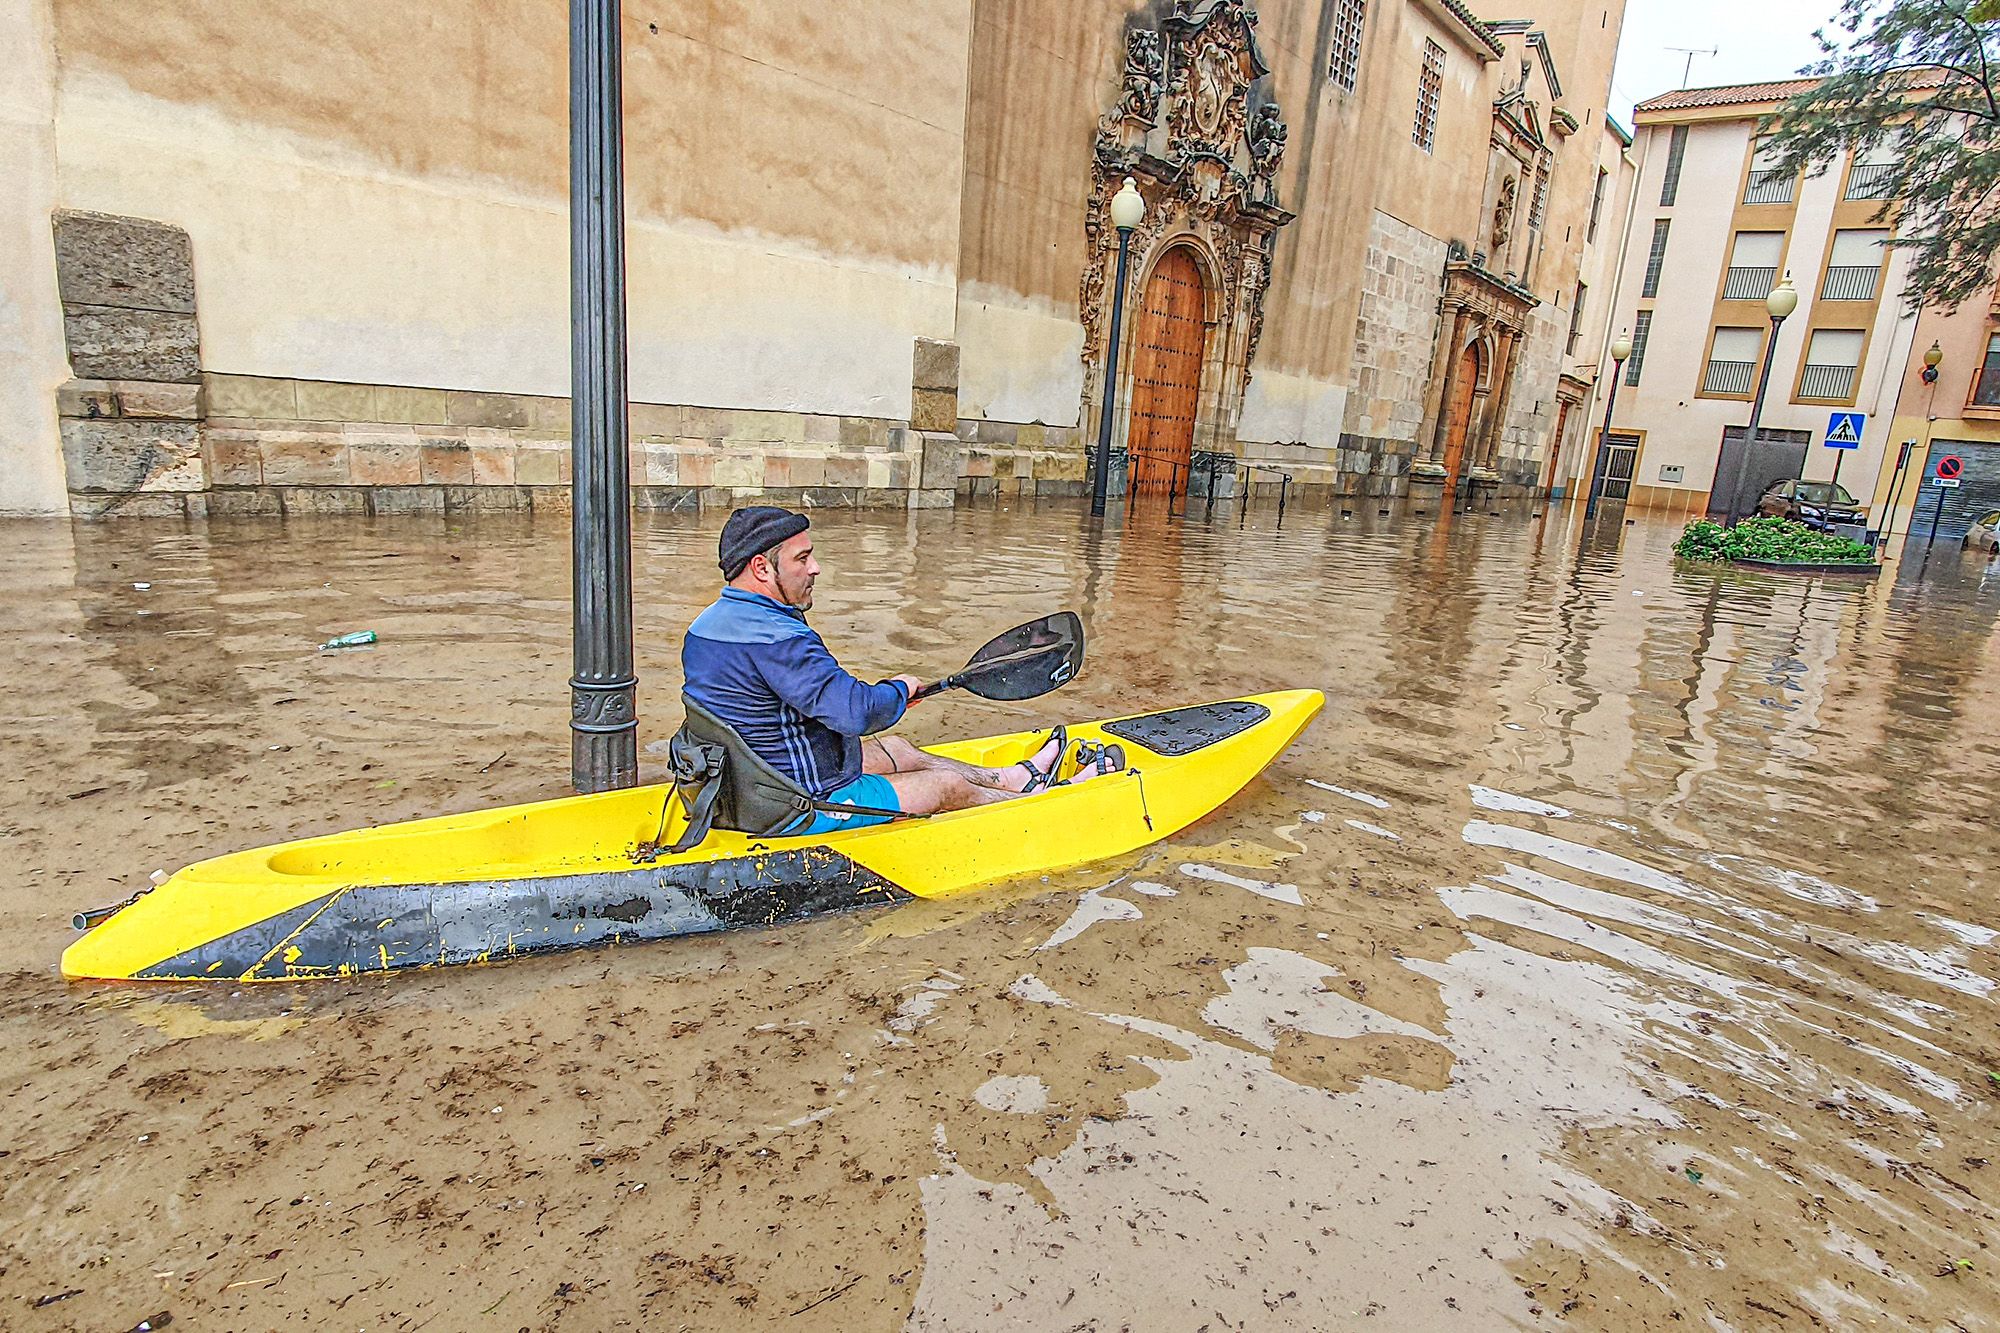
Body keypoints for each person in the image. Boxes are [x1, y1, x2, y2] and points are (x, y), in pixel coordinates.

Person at [682, 507, 1110, 834]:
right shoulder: (779, 639)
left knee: (899, 751)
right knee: (943, 786)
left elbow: (806, 703)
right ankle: (1049, 802)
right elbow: (856, 714)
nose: (815, 568)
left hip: (745, 783)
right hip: (795, 803)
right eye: (803, 558)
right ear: (762, 568)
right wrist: (897, 690)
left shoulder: (706, 627)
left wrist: (894, 697)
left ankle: (1010, 779)